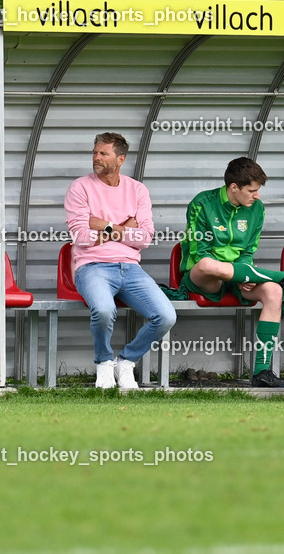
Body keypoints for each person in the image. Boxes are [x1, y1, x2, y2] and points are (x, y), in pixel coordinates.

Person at [178, 157, 284, 388]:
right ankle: (282, 276)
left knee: (275, 292)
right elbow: (200, 254)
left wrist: (242, 276)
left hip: (241, 276)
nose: (256, 196)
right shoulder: (202, 203)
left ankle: (262, 372)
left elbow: (248, 251)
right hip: (204, 278)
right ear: (233, 187)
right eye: (251, 191)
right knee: (207, 264)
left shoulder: (257, 208)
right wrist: (242, 274)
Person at [65, 132, 177, 390]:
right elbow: (81, 236)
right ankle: (104, 363)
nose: (96, 157)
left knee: (166, 315)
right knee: (104, 310)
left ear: (120, 159)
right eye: (94, 152)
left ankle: (126, 361)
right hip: (91, 267)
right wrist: (125, 228)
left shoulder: (137, 190)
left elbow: (145, 238)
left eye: (103, 153)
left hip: (131, 268)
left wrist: (103, 225)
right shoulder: (80, 188)